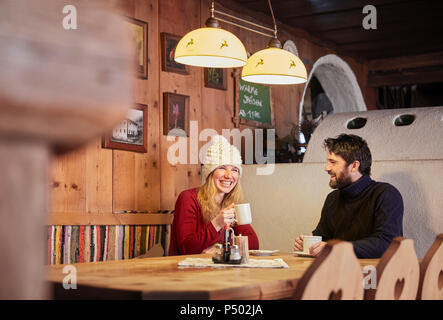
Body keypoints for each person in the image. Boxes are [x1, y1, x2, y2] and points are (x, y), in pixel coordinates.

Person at [294, 134, 404, 259]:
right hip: (339, 272)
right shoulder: (333, 199)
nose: (327, 168)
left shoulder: (386, 194)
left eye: (333, 162)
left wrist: (337, 249)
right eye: (328, 161)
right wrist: (308, 245)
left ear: (354, 166)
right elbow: (323, 237)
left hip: (374, 274)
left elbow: (386, 243)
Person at [169, 135, 259, 255]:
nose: (229, 175)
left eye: (234, 170)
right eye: (222, 168)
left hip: (220, 271)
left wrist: (220, 250)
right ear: (210, 173)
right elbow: (186, 248)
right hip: (186, 270)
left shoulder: (231, 203)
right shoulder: (188, 198)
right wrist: (217, 223)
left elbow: (253, 244)